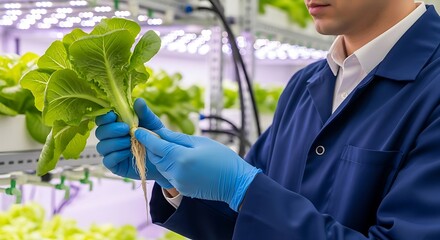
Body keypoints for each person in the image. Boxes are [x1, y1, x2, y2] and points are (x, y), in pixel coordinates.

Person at [95, 0, 440, 239]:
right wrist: (175, 182)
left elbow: (251, 198)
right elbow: (247, 224)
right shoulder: (305, 84)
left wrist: (243, 188)